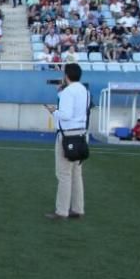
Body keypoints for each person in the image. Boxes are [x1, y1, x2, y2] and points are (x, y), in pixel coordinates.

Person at [44, 62, 89, 220]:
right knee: (76, 174)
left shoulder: (68, 92)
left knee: (63, 174)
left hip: (67, 135)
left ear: (66, 76)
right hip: (80, 135)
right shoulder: (84, 90)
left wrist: (54, 111)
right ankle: (78, 208)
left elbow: (66, 114)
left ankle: (61, 210)